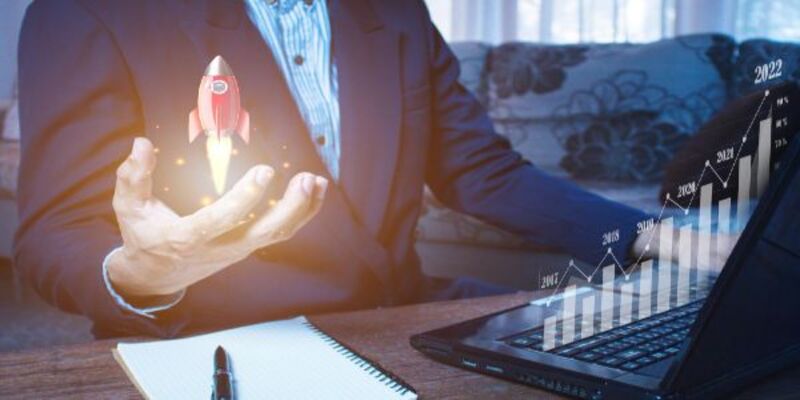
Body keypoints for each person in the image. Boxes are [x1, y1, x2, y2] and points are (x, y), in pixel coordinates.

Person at [14, 0, 733, 338]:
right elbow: (55, 235)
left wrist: (659, 239)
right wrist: (147, 274)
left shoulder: (395, 13)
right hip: (217, 339)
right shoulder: (86, 13)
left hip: (402, 308)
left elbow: (485, 174)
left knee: (633, 337)